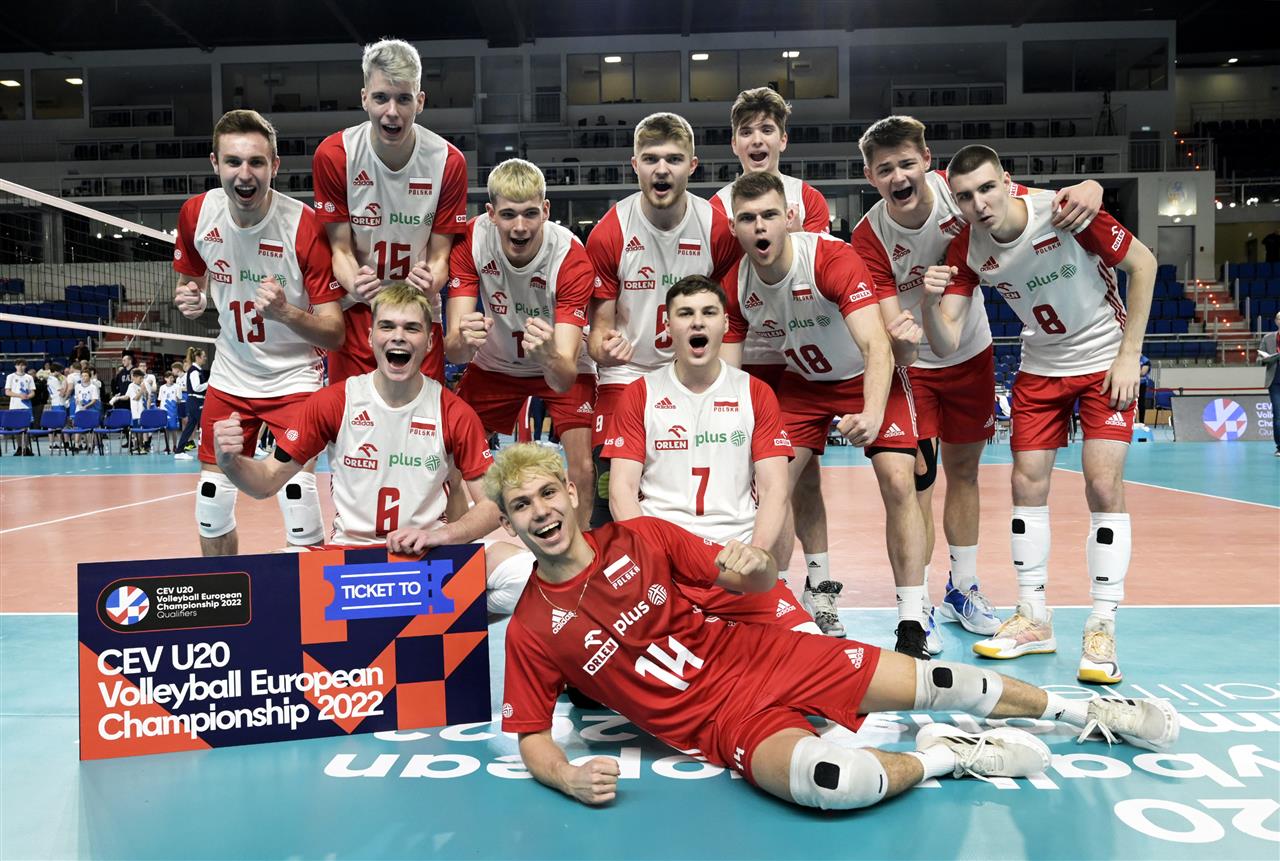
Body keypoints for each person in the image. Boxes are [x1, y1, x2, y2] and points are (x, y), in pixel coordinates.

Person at [486, 442, 1179, 810]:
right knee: (832, 781)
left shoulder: (641, 537)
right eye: (521, 505)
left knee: (945, 680)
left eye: (548, 492)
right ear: (511, 524)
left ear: (572, 492)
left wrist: (756, 564)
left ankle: (1087, 712)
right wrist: (567, 777)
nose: (540, 511)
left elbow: (753, 581)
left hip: (765, 656)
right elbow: (532, 736)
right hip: (722, 723)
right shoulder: (532, 628)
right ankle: (950, 756)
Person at [851, 116, 1104, 642]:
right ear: (870, 177)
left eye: (906, 163)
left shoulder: (962, 193)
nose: (898, 176)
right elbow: (887, 326)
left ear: (928, 162)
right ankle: (916, 604)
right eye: (884, 169)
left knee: (964, 474)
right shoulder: (869, 236)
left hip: (969, 353)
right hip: (912, 366)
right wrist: (903, 337)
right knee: (917, 482)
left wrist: (1089, 187)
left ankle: (962, 587)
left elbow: (1026, 201)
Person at [924, 144, 1157, 684]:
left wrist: (1130, 355)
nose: (980, 204)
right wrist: (927, 305)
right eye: (965, 196)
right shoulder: (965, 248)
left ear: (1008, 181)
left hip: (1103, 360)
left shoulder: (1065, 210)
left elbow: (1144, 264)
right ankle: (1033, 617)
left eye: (987, 188)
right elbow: (948, 337)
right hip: (1041, 366)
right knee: (1025, 483)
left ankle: (1102, 627)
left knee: (1103, 483)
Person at [213, 284, 533, 613]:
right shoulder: (335, 401)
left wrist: (444, 536)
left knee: (525, 574)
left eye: (412, 328)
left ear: (429, 342)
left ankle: (441, 618)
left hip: (430, 558)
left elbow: (494, 505)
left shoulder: (453, 412)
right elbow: (266, 481)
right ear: (370, 337)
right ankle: (416, 613)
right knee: (264, 580)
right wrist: (230, 461)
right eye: (387, 326)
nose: (398, 337)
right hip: (349, 557)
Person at [720, 171, 931, 657]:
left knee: (898, 480)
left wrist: (872, 415)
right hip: (803, 385)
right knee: (772, 484)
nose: (760, 227)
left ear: (789, 218)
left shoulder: (830, 258)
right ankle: (778, 606)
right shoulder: (736, 284)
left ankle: (912, 620)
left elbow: (877, 346)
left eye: (770, 215)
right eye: (748, 219)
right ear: (734, 228)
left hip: (865, 374)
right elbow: (729, 379)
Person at [173, 109, 346, 555]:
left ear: (275, 166)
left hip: (294, 379)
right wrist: (193, 298)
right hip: (231, 376)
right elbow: (191, 282)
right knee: (211, 501)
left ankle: (305, 597)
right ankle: (222, 593)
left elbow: (335, 333)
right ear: (215, 163)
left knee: (298, 496)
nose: (244, 174)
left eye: (256, 162)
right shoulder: (196, 214)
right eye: (233, 161)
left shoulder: (303, 226)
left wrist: (286, 313)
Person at [604, 274, 815, 632]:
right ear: (667, 325)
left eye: (708, 312)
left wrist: (756, 554)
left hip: (735, 560)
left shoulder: (755, 393)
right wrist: (650, 559)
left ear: (725, 324)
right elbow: (621, 490)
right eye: (685, 313)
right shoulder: (640, 393)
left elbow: (775, 489)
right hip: (663, 564)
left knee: (810, 647)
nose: (698, 322)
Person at [709, 86, 838, 624]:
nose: (757, 139)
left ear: (783, 139)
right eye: (747, 131)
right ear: (734, 144)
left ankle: (818, 586)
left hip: (799, 359)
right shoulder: (718, 208)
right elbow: (720, 284)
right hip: (746, 352)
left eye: (767, 129)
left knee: (800, 478)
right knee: (765, 478)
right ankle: (773, 591)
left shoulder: (808, 199)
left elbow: (817, 275)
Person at [585, 112, 741, 529]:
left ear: (692, 165)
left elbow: (729, 320)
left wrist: (725, 384)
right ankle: (614, 563)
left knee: (703, 478)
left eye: (673, 159)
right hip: (629, 372)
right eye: (651, 159)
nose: (662, 169)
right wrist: (604, 348)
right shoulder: (610, 231)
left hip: (694, 373)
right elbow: (599, 333)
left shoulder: (716, 229)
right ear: (635, 165)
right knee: (608, 482)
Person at [445, 158, 597, 528]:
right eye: (508, 214)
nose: (519, 227)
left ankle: (581, 548)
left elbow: (563, 376)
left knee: (581, 464)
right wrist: (465, 341)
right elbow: (454, 350)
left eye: (530, 213)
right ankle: (454, 539)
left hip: (559, 364)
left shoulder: (571, 257)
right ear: (490, 213)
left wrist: (548, 356)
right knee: (448, 455)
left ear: (546, 210)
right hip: (495, 364)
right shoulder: (471, 241)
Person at [311, 37, 468, 386]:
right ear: (364, 97)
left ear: (420, 101)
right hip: (357, 309)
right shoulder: (335, 155)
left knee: (422, 417)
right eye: (381, 97)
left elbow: (440, 257)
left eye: (404, 99)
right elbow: (339, 249)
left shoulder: (448, 161)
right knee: (352, 413)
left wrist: (433, 278)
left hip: (417, 310)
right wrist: (355, 282)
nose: (392, 111)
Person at [174, 347, 207, 458]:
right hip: (196, 402)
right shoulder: (194, 371)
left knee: (190, 427)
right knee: (204, 425)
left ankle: (179, 451)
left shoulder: (197, 370)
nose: (205, 358)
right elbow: (196, 387)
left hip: (196, 401)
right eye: (203, 356)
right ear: (197, 357)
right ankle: (205, 451)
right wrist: (209, 383)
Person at [4, 359, 35, 455]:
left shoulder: (29, 377)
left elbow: (32, 392)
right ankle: (20, 447)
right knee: (17, 428)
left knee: (26, 428)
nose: (20, 367)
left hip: (26, 406)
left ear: (25, 366)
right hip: (15, 406)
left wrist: (28, 396)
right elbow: (7, 392)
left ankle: (26, 448)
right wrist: (19, 395)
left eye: (23, 365)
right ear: (15, 366)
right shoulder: (10, 377)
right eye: (18, 365)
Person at [1260, 311, 1280, 456]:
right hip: (1275, 382)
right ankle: (1279, 446)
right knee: (1278, 415)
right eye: (1279, 318)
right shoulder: (1267, 338)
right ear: (1276, 321)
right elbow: (1258, 359)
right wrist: (1266, 359)